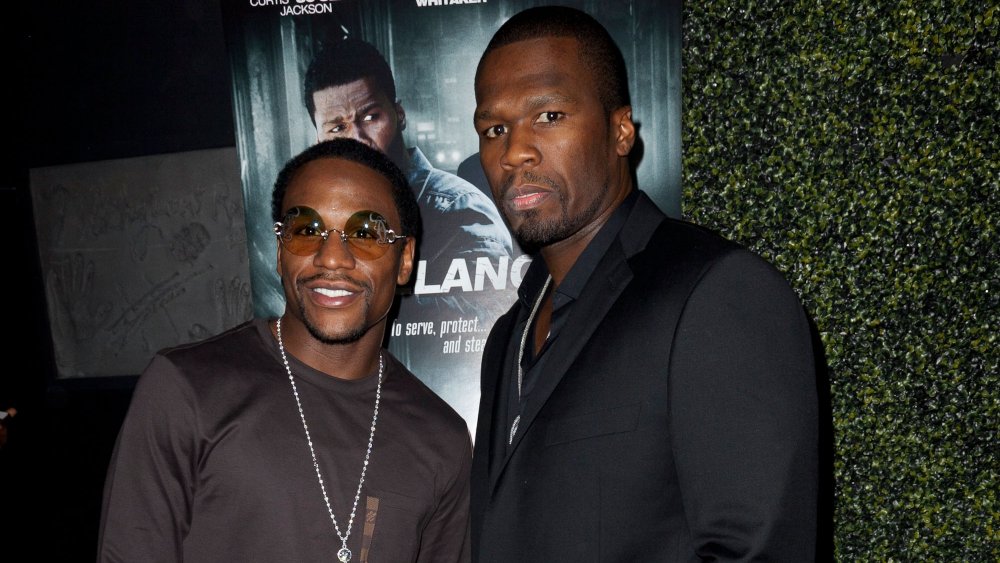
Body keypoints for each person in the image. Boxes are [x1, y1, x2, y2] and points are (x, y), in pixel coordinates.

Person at [470, 6, 819, 561]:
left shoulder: (716, 294)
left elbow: (754, 550)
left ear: (621, 131)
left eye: (550, 115)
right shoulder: (508, 336)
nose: (514, 152)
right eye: (494, 129)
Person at [99, 139, 472, 562]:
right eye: (306, 230)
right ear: (280, 251)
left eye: (366, 233)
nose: (331, 258)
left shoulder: (441, 437)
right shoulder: (187, 391)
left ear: (404, 258)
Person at [304, 38, 524, 426]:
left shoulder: (459, 212)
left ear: (399, 115)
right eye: (337, 126)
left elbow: (490, 342)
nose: (356, 139)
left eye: (370, 117)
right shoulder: (320, 233)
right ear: (319, 140)